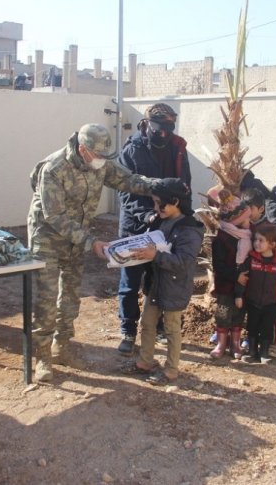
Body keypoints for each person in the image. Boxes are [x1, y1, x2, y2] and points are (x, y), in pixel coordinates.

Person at [28, 123, 158, 382]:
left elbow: (127, 179)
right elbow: (54, 215)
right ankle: (42, 357)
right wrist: (91, 242)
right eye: (97, 156)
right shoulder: (54, 168)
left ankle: (61, 347)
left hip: (76, 240)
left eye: (104, 156)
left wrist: (158, 186)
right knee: (47, 299)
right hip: (48, 239)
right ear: (82, 148)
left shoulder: (100, 162)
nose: (101, 161)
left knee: (71, 296)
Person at [116, 103, 190, 355]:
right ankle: (127, 329)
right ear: (147, 123)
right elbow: (123, 191)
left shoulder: (178, 148)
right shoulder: (131, 150)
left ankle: (157, 326)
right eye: (158, 129)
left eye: (167, 130)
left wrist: (181, 218)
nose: (163, 135)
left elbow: (184, 186)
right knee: (130, 281)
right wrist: (147, 214)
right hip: (136, 226)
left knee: (159, 279)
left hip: (166, 227)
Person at [120, 178, 203, 385]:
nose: (156, 208)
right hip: (154, 285)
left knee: (172, 330)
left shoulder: (190, 229)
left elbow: (183, 262)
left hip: (174, 288)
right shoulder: (160, 221)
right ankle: (145, 362)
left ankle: (171, 371)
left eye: (160, 203)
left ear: (175, 201)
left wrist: (154, 255)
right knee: (147, 324)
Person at [235, 224, 276, 364]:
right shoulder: (251, 259)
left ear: (272, 244)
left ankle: (264, 352)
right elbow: (242, 279)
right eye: (255, 240)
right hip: (252, 301)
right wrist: (238, 295)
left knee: (267, 328)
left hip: (272, 302)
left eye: (261, 240)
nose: (256, 243)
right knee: (252, 326)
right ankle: (252, 351)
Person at [209, 197, 252, 360]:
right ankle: (221, 343)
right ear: (236, 221)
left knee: (238, 315)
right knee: (223, 314)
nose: (249, 221)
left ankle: (235, 343)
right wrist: (236, 276)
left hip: (242, 287)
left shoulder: (247, 236)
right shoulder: (221, 239)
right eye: (245, 218)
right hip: (226, 286)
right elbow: (219, 266)